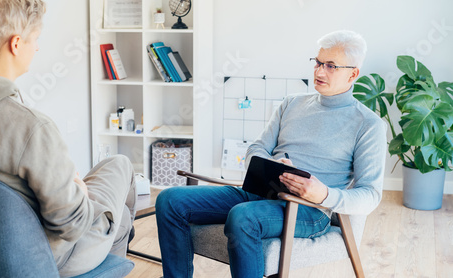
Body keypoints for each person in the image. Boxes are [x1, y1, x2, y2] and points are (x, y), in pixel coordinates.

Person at [155, 30, 387, 278]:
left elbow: (370, 195)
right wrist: (272, 163)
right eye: (318, 62)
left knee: (243, 217)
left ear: (353, 73)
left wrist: (324, 194)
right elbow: (256, 148)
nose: (319, 72)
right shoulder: (292, 103)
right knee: (170, 200)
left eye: (331, 66)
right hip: (261, 190)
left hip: (308, 209)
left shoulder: (368, 124)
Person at [0, 0, 136, 277]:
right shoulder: (30, 127)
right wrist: (80, 190)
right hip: (40, 256)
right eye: (35, 39)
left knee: (121, 218)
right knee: (121, 166)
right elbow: (72, 224)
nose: (36, 47)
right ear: (16, 44)